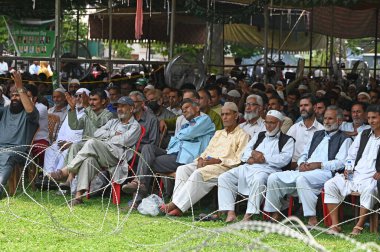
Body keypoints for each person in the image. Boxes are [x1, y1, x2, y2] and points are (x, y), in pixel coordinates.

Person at [264, 106, 352, 226]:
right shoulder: (317, 134)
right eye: (325, 118)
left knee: (302, 179)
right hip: (306, 169)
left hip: (326, 173)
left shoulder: (345, 139)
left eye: (330, 118)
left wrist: (319, 165)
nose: (326, 121)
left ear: (339, 121)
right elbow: (304, 153)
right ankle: (275, 212)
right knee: (274, 177)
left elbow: (341, 163)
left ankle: (312, 217)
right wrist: (301, 164)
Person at [122, 98, 215, 207]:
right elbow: (176, 140)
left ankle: (137, 195)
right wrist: (178, 138)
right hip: (173, 154)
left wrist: (179, 136)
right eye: (182, 109)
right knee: (147, 148)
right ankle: (139, 183)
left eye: (187, 107)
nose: (184, 111)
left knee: (146, 162)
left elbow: (188, 134)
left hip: (185, 158)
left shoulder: (204, 119)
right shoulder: (187, 125)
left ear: (197, 107)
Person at [49, 97, 141, 206]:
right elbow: (97, 133)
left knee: (92, 142)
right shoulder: (113, 122)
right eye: (118, 106)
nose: (119, 109)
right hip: (102, 152)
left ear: (131, 109)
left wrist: (108, 137)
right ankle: (78, 197)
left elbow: (124, 141)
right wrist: (112, 134)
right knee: (88, 160)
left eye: (123, 106)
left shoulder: (135, 126)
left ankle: (67, 171)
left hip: (117, 156)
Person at [160, 102, 249, 216]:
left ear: (236, 116)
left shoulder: (243, 135)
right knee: (183, 169)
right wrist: (201, 159)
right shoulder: (219, 133)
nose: (224, 117)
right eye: (222, 114)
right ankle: (179, 206)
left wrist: (218, 161)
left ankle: (175, 205)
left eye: (228, 114)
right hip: (208, 163)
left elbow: (239, 160)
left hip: (224, 167)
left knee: (198, 174)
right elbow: (207, 150)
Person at [218, 110, 294, 222]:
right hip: (249, 166)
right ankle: (230, 212)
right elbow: (245, 153)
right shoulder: (259, 135)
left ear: (280, 124)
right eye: (266, 122)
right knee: (224, 177)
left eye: (272, 123)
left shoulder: (288, 140)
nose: (268, 126)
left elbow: (283, 160)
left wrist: (263, 158)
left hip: (269, 170)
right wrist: (254, 154)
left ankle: (248, 215)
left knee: (258, 180)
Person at [324, 104, 380, 235]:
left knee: (370, 189)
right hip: (355, 175)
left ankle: (358, 226)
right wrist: (348, 169)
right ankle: (335, 225)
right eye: (369, 118)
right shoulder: (364, 134)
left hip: (372, 177)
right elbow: (351, 155)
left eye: (375, 118)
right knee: (330, 184)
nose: (371, 121)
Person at [0, 72, 39, 195]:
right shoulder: (5, 110)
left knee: (7, 156)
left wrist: (20, 87)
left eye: (19, 95)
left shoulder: (31, 115)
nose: (14, 97)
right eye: (13, 95)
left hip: (17, 150)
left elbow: (30, 109)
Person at [43, 88, 88, 174]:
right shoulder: (71, 113)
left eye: (81, 96)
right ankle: (48, 176)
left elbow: (84, 135)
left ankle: (58, 176)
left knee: (67, 151)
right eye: (76, 96)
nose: (78, 98)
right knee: (50, 150)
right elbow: (62, 131)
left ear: (87, 99)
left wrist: (69, 143)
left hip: (75, 145)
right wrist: (58, 141)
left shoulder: (88, 114)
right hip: (62, 143)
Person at [286, 94, 324, 167]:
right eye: (301, 106)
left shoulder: (321, 130)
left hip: (312, 168)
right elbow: (286, 150)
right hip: (293, 167)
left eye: (306, 105)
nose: (303, 108)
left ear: (315, 108)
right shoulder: (294, 128)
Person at [25, 84, 49, 167]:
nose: (24, 99)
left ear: (34, 98)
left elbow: (29, 118)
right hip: (24, 140)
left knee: (41, 150)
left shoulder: (41, 108)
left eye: (28, 97)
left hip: (39, 140)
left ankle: (42, 173)